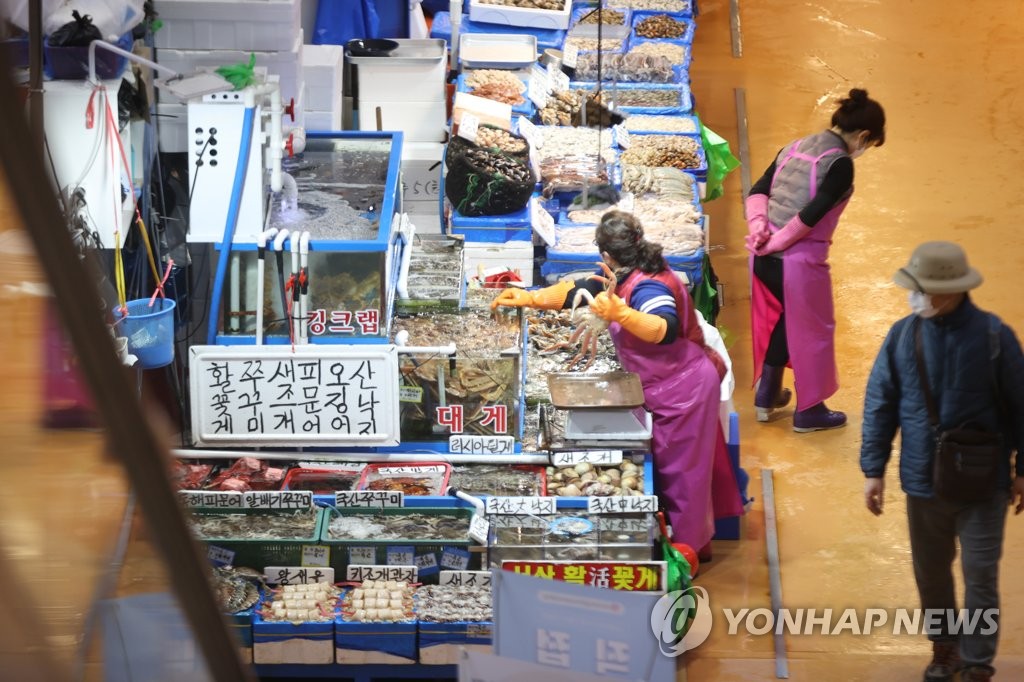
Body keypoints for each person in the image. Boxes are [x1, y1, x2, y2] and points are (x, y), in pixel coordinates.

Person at [492, 211, 743, 558]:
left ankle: (688, 556)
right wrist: (531, 298)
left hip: (683, 389)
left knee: (683, 479)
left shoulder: (650, 284)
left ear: (607, 254)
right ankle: (680, 541)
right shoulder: (625, 272)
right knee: (679, 473)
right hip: (658, 385)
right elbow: (585, 288)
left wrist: (621, 314)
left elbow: (664, 326)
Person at [860, 242, 1024, 682]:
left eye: (922, 291)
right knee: (932, 574)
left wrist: (1022, 469)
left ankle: (976, 663)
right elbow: (881, 402)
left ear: (948, 293)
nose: (914, 298)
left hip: (983, 483)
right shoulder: (902, 335)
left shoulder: (994, 338)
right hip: (923, 481)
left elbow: (1021, 405)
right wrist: (873, 470)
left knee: (980, 576)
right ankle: (945, 647)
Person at [745, 88, 886, 431]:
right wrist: (777, 241)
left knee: (783, 320)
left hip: (762, 259)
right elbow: (812, 215)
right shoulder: (839, 165)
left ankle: (768, 394)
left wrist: (760, 230)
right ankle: (810, 410)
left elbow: (758, 191)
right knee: (814, 332)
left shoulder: (793, 147)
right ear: (864, 136)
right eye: (868, 144)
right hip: (797, 264)